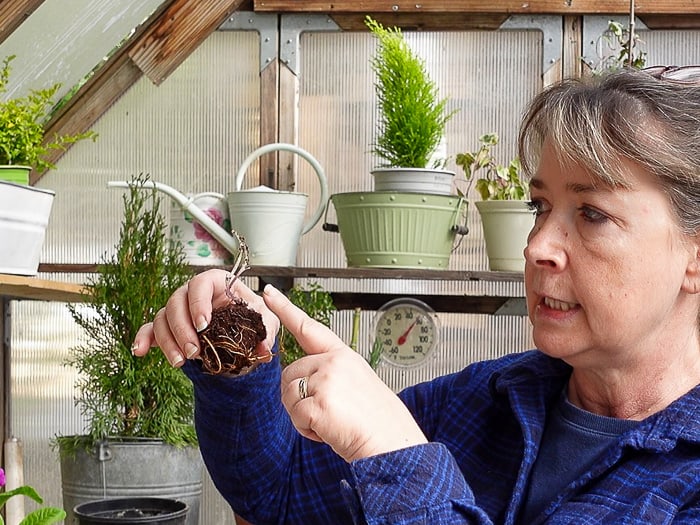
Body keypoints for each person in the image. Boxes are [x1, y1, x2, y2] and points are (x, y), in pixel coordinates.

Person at [133, 66, 700, 524]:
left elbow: (394, 460)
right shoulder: (484, 403)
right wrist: (241, 358)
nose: (538, 246)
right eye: (540, 207)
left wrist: (399, 459)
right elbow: (279, 496)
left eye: (594, 214)